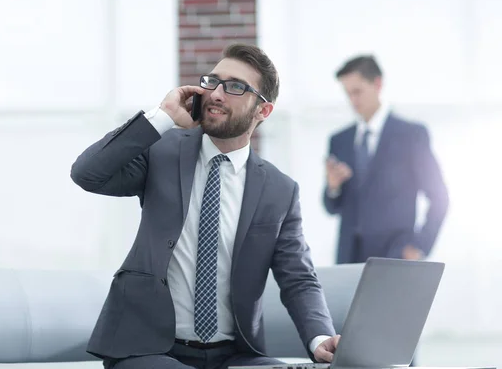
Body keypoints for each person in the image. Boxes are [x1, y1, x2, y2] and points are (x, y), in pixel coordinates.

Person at [71, 44, 339, 369]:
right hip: (148, 350)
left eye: (236, 86)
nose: (216, 93)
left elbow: (298, 277)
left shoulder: (279, 190)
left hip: (235, 354)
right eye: (213, 81)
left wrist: (320, 337)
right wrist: (162, 117)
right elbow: (88, 173)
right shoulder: (162, 149)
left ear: (262, 111)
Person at [323, 55, 449, 265]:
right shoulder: (339, 140)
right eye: (347, 94)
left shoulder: (411, 135)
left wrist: (419, 246)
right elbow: (331, 207)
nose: (352, 101)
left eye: (357, 92)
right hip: (349, 260)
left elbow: (439, 196)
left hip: (396, 255)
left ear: (377, 84)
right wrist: (333, 187)